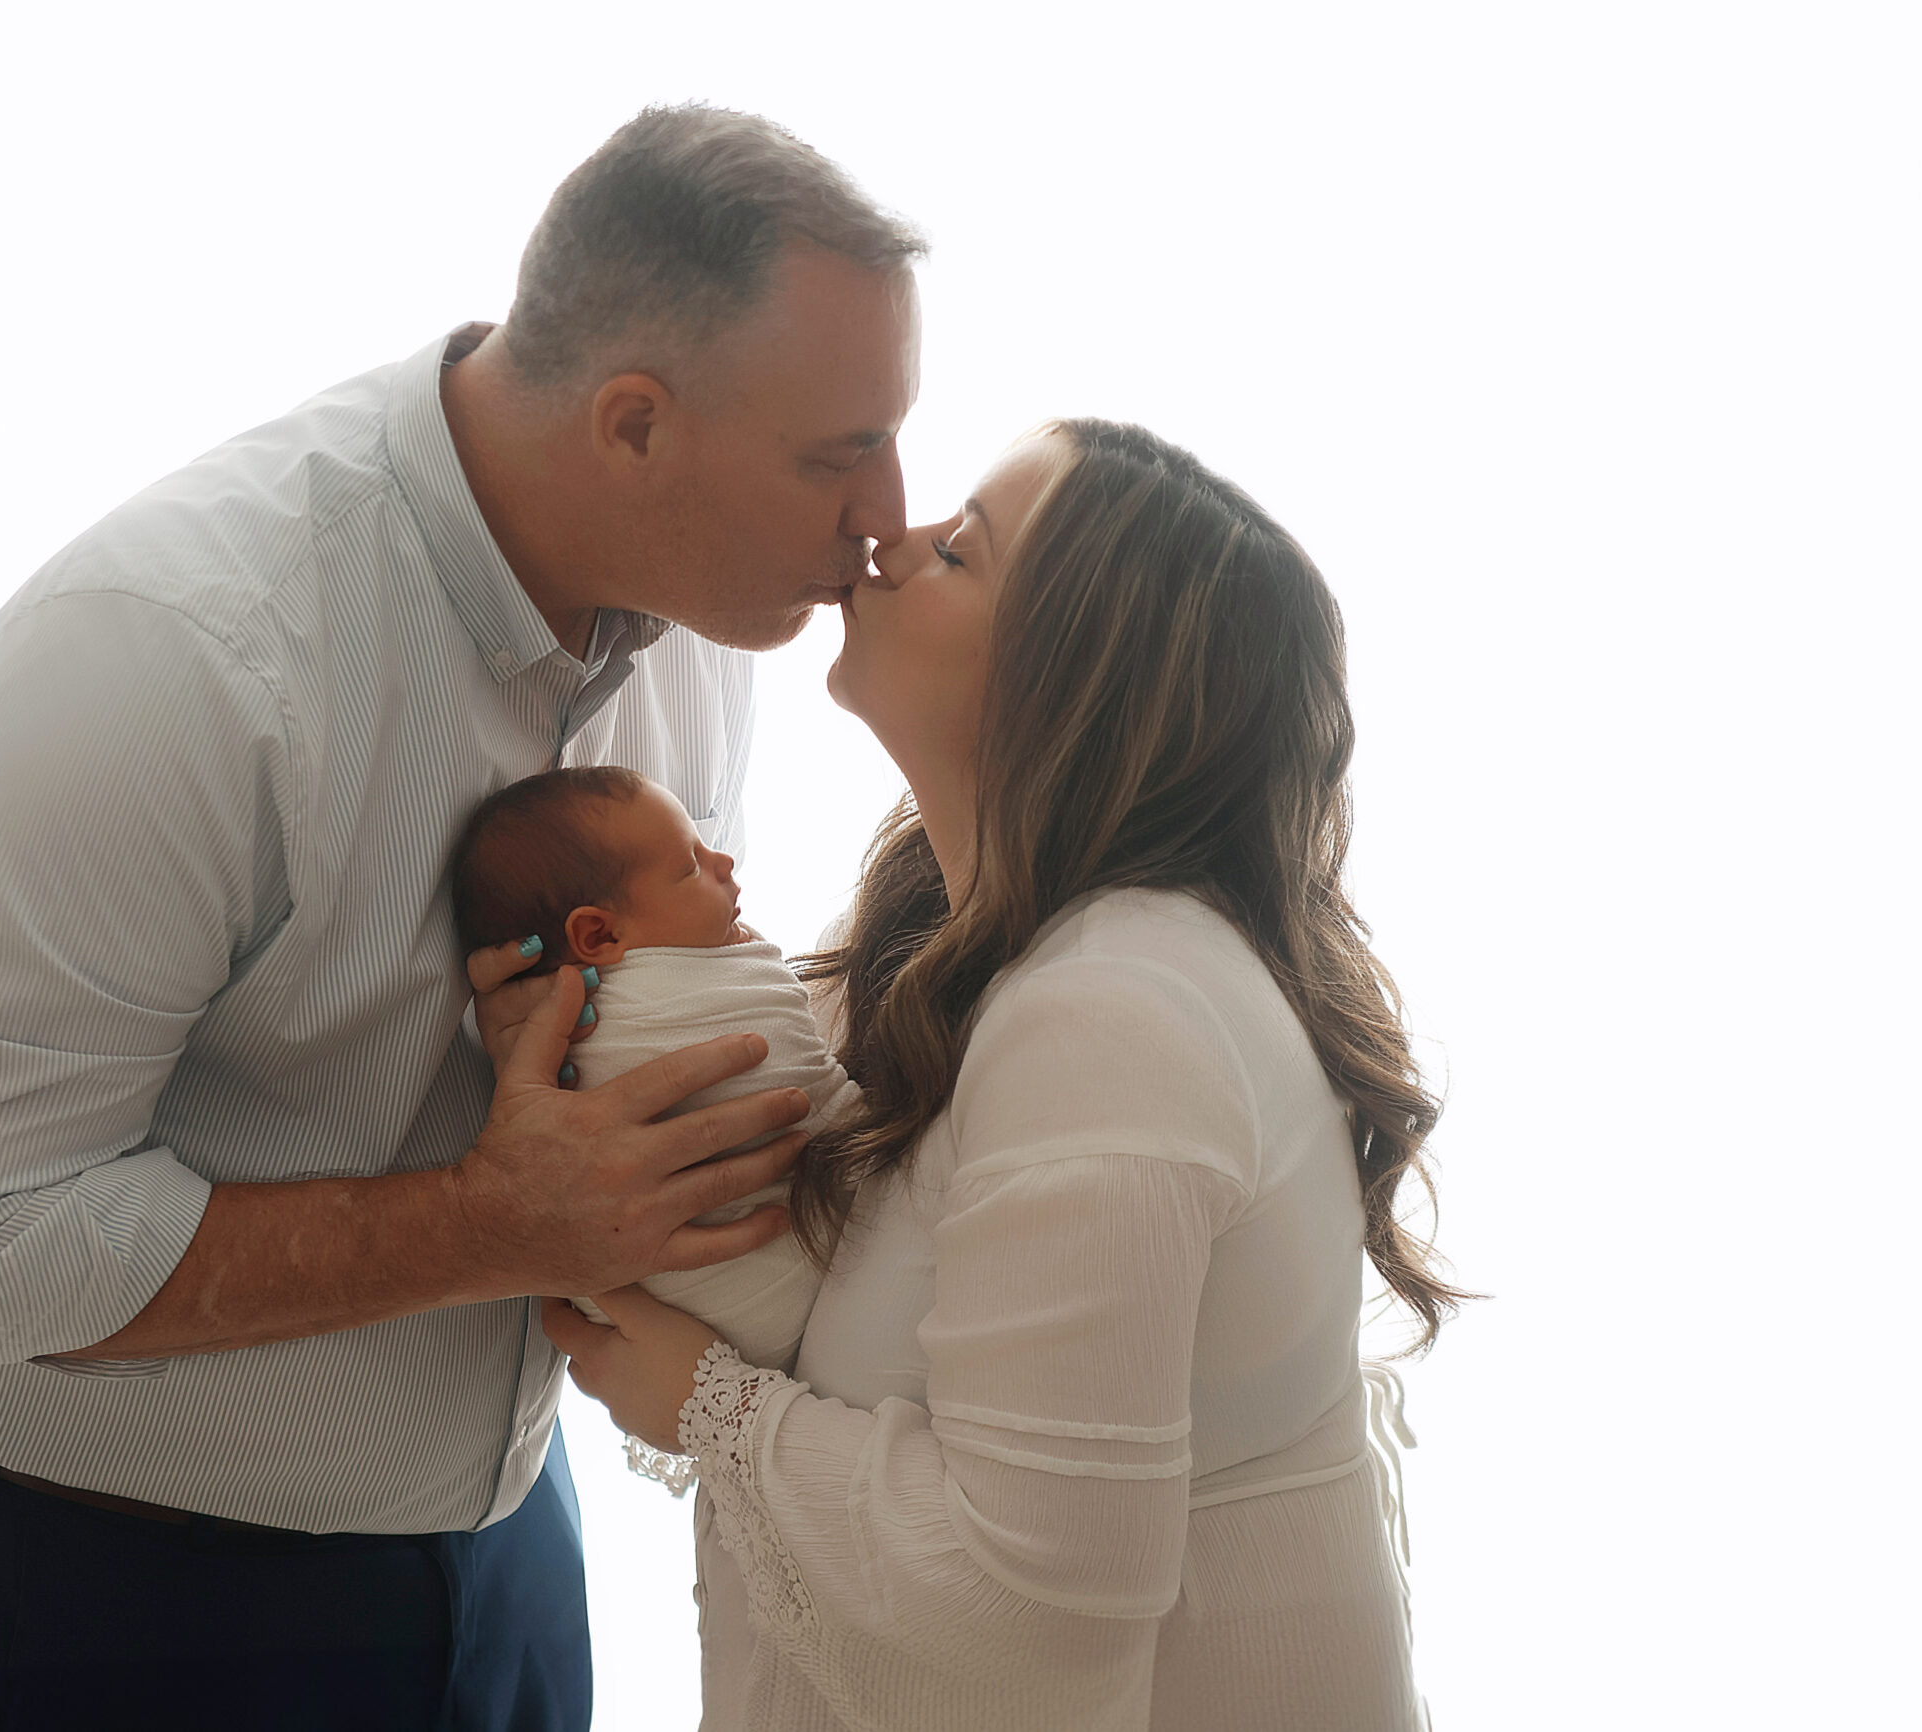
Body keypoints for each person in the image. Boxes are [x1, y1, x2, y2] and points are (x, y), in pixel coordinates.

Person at [0, 104, 924, 1730]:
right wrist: (487, 1227)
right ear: (634, 426)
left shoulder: (705, 617)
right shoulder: (167, 664)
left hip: (500, 1532)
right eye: (839, 453)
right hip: (133, 1597)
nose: (886, 520)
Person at [545, 420, 1466, 1729]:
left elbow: (1028, 1619)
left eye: (961, 549)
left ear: (1069, 686)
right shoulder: (959, 945)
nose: (892, 535)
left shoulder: (1118, 1014)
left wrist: (700, 1402)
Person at [449, 766, 862, 1373]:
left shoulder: (565, 1016)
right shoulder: (679, 1004)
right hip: (763, 1311)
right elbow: (816, 1097)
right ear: (599, 933)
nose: (723, 860)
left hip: (673, 1340)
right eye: (690, 865)